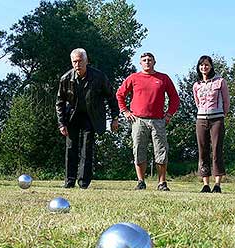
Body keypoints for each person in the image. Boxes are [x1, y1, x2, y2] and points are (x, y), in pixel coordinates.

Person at [56, 48, 119, 189]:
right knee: (70, 148)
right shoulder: (65, 79)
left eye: (80, 61)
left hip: (91, 117)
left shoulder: (99, 77)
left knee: (87, 149)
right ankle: (69, 181)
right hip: (71, 116)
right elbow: (59, 102)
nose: (77, 64)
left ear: (87, 61)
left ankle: (84, 182)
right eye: (74, 62)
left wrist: (115, 117)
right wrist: (61, 123)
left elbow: (111, 97)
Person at [116, 52, 180, 191]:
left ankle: (162, 183)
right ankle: (141, 181)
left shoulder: (163, 78)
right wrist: (125, 111)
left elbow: (175, 98)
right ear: (140, 63)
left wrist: (169, 115)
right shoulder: (133, 78)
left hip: (158, 121)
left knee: (161, 151)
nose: (147, 62)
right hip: (138, 120)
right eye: (144, 60)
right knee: (138, 150)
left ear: (154, 62)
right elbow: (120, 94)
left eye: (149, 60)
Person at [193, 55, 230, 193]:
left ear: (211, 66)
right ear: (199, 67)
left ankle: (217, 184)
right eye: (201, 65)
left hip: (217, 119)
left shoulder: (220, 82)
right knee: (203, 151)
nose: (204, 67)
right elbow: (197, 103)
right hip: (201, 119)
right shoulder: (196, 85)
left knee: (216, 150)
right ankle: (205, 184)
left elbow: (226, 102)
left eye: (206, 65)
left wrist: (221, 115)